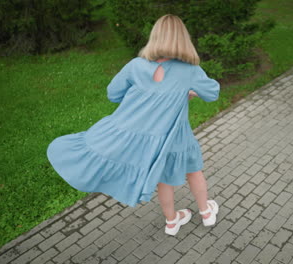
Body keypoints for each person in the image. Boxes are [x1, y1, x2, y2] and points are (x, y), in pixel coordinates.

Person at [46, 14, 220, 236]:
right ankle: (206, 213)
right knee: (194, 172)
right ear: (183, 39)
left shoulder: (136, 66)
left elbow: (113, 94)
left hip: (154, 140)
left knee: (163, 179)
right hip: (178, 136)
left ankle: (172, 221)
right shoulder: (189, 71)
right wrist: (189, 91)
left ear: (155, 37)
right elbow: (212, 93)